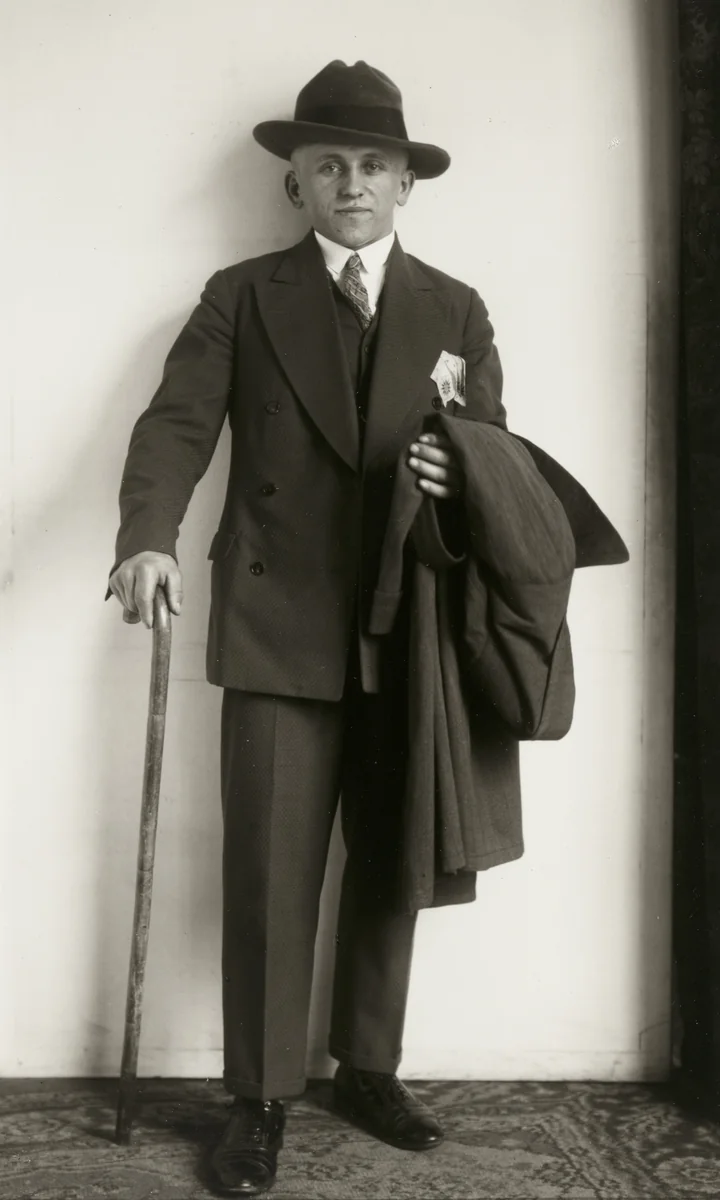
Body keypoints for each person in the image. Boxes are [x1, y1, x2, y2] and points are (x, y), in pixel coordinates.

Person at [107, 59, 519, 1197]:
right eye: (329, 163)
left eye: (373, 165)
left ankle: (368, 1069)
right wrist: (146, 536)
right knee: (273, 872)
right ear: (294, 183)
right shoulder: (240, 295)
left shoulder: (457, 308)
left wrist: (460, 473)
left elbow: (500, 467)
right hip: (276, 624)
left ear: (404, 186)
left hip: (410, 626)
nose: (352, 182)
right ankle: (263, 1097)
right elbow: (176, 427)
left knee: (392, 862)